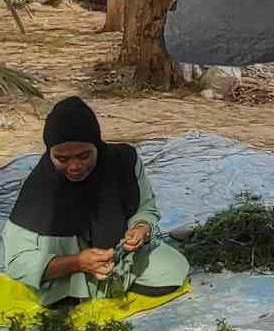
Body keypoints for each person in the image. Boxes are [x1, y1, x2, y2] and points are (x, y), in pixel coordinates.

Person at [2, 97, 190, 305]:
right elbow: (16, 261)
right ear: (50, 154)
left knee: (172, 271)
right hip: (67, 267)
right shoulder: (39, 188)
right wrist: (77, 262)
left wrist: (141, 228)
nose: (74, 167)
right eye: (62, 159)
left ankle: (101, 285)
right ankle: (87, 287)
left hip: (120, 258)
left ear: (97, 146)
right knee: (57, 293)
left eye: (83, 156)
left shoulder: (124, 162)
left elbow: (145, 207)